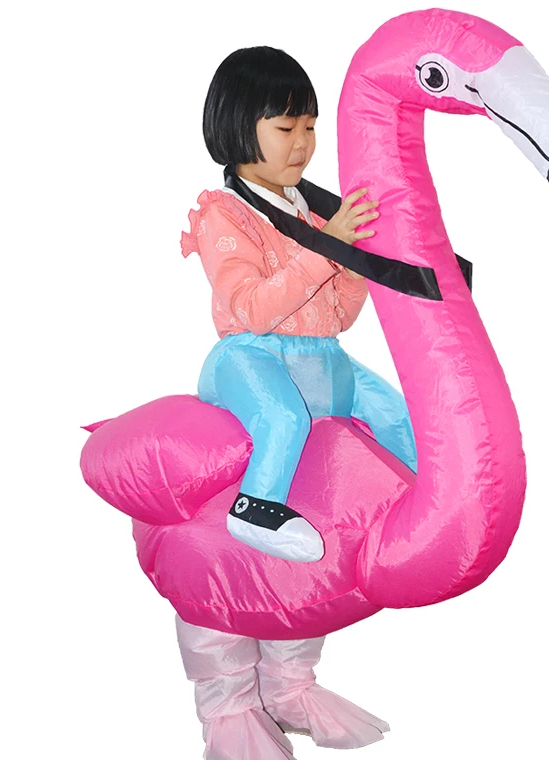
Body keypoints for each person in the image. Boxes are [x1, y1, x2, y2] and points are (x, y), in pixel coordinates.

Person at [180, 46, 415, 564]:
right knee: (282, 416)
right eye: (286, 128)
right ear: (238, 126)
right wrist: (327, 247)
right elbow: (252, 309)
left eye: (310, 127)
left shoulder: (312, 215)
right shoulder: (226, 214)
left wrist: (352, 267)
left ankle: (421, 503)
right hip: (252, 354)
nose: (303, 143)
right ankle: (255, 505)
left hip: (321, 356)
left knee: (396, 413)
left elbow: (338, 319)